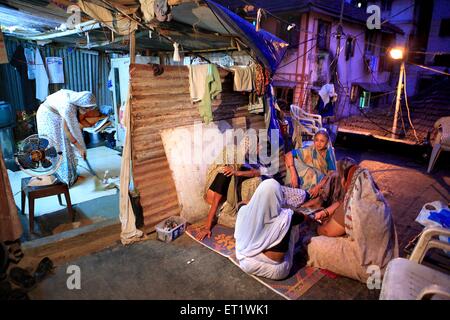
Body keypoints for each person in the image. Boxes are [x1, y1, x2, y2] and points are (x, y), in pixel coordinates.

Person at [306, 160, 398, 282]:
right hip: (386, 259)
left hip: (368, 265)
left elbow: (327, 232)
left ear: (346, 181)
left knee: (311, 244)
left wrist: (315, 227)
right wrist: (326, 213)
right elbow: (340, 203)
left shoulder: (353, 204)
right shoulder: (378, 200)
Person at [196, 135, 269, 241]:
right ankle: (241, 210)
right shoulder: (224, 173)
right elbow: (215, 203)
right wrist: (207, 227)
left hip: (227, 197)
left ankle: (248, 207)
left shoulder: (236, 166)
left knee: (256, 180)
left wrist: (238, 173)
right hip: (221, 208)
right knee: (248, 226)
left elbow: (258, 172)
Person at [234, 179, 307, 280]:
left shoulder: (243, 210)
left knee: (288, 220)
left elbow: (241, 203)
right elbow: (277, 258)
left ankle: (255, 250)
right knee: (291, 221)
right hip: (274, 269)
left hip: (244, 260)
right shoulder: (284, 218)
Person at [36, 89, 97, 186]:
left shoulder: (74, 98)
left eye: (90, 108)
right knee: (58, 146)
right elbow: (68, 130)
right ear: (81, 104)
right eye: (86, 108)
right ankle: (61, 177)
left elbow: (72, 128)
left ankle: (70, 174)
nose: (87, 111)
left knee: (64, 143)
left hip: (55, 113)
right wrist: (80, 147)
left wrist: (80, 146)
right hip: (47, 116)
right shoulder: (68, 107)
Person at [285, 129, 337, 193]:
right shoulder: (309, 149)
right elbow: (288, 155)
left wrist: (318, 186)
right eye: (316, 140)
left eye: (322, 141)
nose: (318, 143)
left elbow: (331, 174)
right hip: (309, 176)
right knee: (294, 162)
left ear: (327, 143)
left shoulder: (328, 154)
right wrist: (293, 174)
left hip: (322, 180)